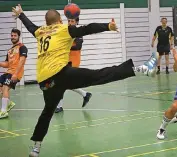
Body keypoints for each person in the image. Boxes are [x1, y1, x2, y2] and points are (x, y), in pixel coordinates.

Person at [12, 4, 136, 156]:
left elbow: (30, 26)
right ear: (58, 20)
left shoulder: (40, 32)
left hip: (44, 81)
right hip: (60, 73)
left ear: (46, 22)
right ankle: (135, 69)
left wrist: (21, 14)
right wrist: (108, 26)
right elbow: (87, 29)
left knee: (47, 112)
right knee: (97, 75)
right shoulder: (63, 29)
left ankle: (36, 147)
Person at [55, 17, 92, 113]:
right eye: (68, 21)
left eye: (72, 21)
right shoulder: (66, 31)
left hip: (73, 61)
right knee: (64, 83)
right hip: (65, 61)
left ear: (77, 22)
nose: (70, 23)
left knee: (61, 83)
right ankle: (85, 94)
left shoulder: (79, 33)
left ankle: (59, 106)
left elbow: (77, 46)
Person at [0, 28, 27, 119]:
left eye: (15, 35)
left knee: (5, 88)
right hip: (8, 72)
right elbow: (7, 64)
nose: (13, 37)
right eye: (12, 35)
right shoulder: (10, 50)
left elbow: (22, 60)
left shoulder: (22, 47)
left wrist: (15, 74)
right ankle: (9, 103)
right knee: (1, 89)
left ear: (19, 36)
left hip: (15, 72)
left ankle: (3, 111)